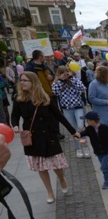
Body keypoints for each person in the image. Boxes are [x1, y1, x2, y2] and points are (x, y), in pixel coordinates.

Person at [11, 72, 80, 203]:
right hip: (32, 138)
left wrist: (73, 131)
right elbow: (14, 115)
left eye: (25, 80)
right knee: (41, 167)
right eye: (21, 80)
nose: (22, 83)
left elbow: (59, 116)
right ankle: (49, 191)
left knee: (56, 165)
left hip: (49, 136)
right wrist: (14, 126)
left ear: (33, 82)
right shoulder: (19, 98)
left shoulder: (45, 98)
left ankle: (61, 179)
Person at [51, 66, 87, 158]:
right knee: (73, 130)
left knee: (81, 127)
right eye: (63, 73)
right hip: (67, 109)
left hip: (78, 107)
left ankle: (85, 147)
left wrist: (71, 78)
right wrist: (60, 80)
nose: (66, 75)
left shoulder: (75, 80)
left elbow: (82, 88)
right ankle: (78, 149)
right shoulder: (57, 83)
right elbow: (55, 92)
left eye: (67, 72)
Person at [88, 66, 108, 151]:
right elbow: (91, 98)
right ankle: (106, 150)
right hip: (101, 114)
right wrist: (105, 102)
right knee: (104, 134)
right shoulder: (93, 84)